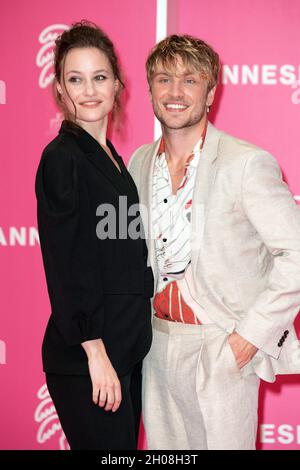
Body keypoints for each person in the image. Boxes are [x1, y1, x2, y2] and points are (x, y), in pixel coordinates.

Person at [128, 34, 300, 450]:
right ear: (150, 89)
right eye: (164, 79)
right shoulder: (137, 161)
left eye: (189, 80)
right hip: (156, 345)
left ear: (210, 92)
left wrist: (248, 338)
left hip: (219, 346)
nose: (174, 92)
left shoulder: (245, 163)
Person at [35, 21, 153, 450]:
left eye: (99, 77)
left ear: (118, 84)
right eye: (75, 79)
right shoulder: (62, 159)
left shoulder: (113, 161)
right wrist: (95, 352)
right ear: (60, 89)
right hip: (90, 359)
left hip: (124, 351)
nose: (89, 90)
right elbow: (67, 265)